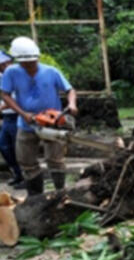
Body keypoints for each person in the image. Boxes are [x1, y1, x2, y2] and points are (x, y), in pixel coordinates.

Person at [0, 36, 77, 195]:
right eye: (26, 63)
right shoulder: (11, 73)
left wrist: (72, 104)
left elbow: (70, 90)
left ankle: (60, 193)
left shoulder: (51, 71)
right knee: (27, 161)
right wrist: (22, 113)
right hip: (26, 124)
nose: (30, 65)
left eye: (32, 62)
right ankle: (36, 197)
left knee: (55, 160)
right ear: (19, 61)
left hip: (52, 122)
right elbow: (5, 94)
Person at [0, 50, 24, 188]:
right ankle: (17, 174)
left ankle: (26, 177)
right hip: (7, 117)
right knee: (4, 146)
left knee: (19, 147)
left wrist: (3, 106)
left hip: (18, 115)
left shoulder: (17, 75)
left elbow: (17, 97)